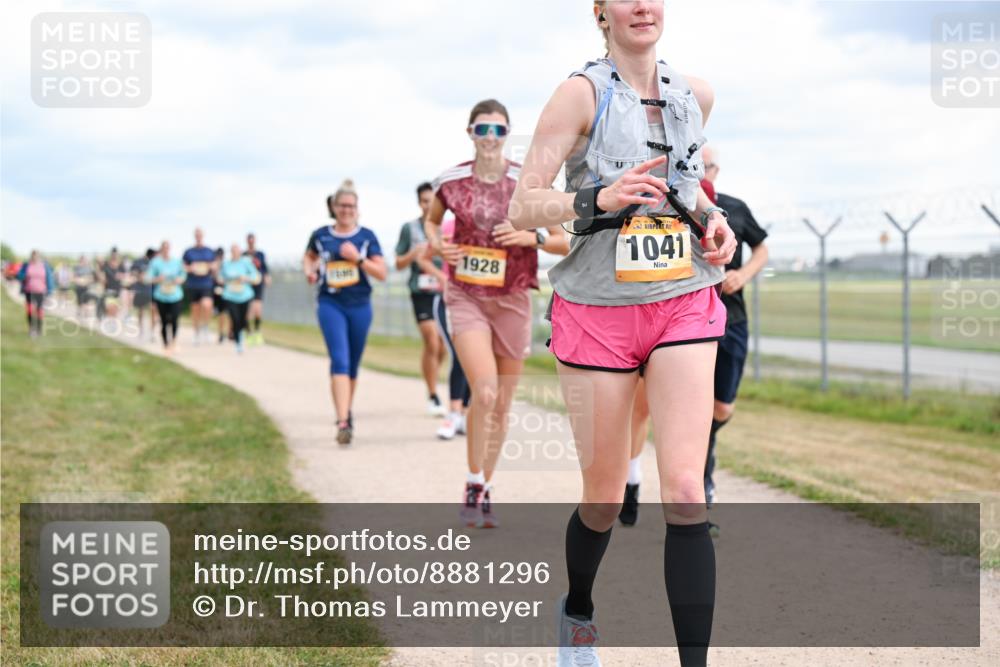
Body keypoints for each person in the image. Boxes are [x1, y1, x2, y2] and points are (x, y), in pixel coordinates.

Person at [507, 2, 738, 665]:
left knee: (686, 491)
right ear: (601, 12)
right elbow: (525, 202)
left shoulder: (695, 94)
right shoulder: (579, 95)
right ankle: (578, 606)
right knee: (605, 496)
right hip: (597, 310)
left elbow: (688, 190)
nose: (643, 5)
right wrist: (596, 199)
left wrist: (712, 227)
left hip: (683, 299)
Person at [424, 98, 569, 529]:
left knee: (502, 404)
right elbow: (432, 223)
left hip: (513, 298)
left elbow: (562, 240)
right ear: (470, 132)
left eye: (498, 130)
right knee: (484, 392)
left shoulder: (526, 182)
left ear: (508, 134)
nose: (490, 137)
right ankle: (471, 483)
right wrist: (437, 244)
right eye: (482, 129)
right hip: (466, 294)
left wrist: (531, 236)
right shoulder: (450, 180)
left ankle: (486, 484)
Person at [700, 145, 770, 506]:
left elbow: (762, 250)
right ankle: (701, 478)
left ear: (717, 170)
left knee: (721, 407)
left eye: (706, 165)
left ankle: (701, 446)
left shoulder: (736, 207)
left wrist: (742, 274)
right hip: (693, 321)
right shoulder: (677, 207)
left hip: (733, 318)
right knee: (695, 405)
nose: (701, 170)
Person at [303, 180, 388, 445]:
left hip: (360, 305)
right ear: (334, 207)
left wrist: (358, 259)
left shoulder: (367, 237)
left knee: (352, 364)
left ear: (357, 208)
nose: (346, 210)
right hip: (331, 304)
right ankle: (342, 422)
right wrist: (309, 270)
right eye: (342, 205)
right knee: (339, 359)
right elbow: (308, 257)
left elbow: (382, 273)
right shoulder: (321, 235)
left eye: (351, 205)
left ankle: (346, 412)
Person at [396, 182, 447, 416]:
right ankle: (433, 394)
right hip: (421, 293)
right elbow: (397, 264)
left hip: (444, 292)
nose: (428, 205)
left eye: (432, 200)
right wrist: (412, 254)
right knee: (432, 340)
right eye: (425, 201)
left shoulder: (445, 228)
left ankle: (433, 377)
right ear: (419, 202)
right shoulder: (410, 229)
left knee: (444, 347)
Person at [418, 216, 472, 440]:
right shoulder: (450, 226)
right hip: (449, 301)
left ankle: (465, 413)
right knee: (459, 355)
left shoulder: (492, 224)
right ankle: (453, 413)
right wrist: (443, 277)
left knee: (473, 358)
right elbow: (424, 258)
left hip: (479, 303)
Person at [219, 243, 261, 353]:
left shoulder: (246, 262)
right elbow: (220, 277)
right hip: (230, 295)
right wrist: (225, 280)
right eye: (232, 250)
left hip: (245, 295)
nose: (234, 252)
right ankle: (238, 342)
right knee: (235, 318)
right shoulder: (226, 264)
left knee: (243, 319)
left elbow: (255, 276)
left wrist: (245, 278)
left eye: (236, 250)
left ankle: (241, 337)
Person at [146, 240, 186, 353]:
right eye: (164, 247)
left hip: (176, 295)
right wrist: (158, 279)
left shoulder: (177, 261)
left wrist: (180, 280)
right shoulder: (155, 262)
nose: (166, 249)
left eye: (168, 247)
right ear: (161, 249)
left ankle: (173, 342)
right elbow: (148, 277)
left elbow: (183, 275)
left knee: (174, 319)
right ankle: (165, 344)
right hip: (161, 296)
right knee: (163, 321)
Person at [182, 228, 218, 344]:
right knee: (195, 310)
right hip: (193, 284)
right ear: (194, 236)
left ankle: (206, 327)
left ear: (203, 236)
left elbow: (215, 265)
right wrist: (189, 268)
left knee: (207, 305)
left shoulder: (209, 251)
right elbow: (183, 266)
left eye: (200, 235)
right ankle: (196, 333)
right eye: (196, 235)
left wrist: (212, 267)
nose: (198, 237)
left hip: (206, 283)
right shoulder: (189, 252)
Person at [17, 250, 55, 337]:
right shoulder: (27, 265)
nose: (35, 257)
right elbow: (19, 275)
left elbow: (49, 278)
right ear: (31, 256)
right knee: (30, 310)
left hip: (41, 291)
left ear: (39, 256)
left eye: (37, 256)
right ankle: (31, 328)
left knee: (39, 311)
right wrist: (23, 275)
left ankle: (39, 329)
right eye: (33, 256)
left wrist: (50, 290)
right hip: (29, 291)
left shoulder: (44, 266)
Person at [245, 232, 271, 345]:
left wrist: (267, 277)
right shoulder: (244, 255)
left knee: (257, 309)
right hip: (246, 285)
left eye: (252, 240)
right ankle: (248, 333)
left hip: (258, 284)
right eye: (249, 240)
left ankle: (257, 332)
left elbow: (265, 268)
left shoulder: (260, 254)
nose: (251, 242)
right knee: (247, 311)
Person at [131, 248, 157, 342]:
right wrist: (139, 275)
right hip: (141, 290)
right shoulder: (139, 262)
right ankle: (141, 330)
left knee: (153, 310)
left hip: (152, 289)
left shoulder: (156, 262)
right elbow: (133, 272)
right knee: (140, 311)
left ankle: (152, 332)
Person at [211, 247, 229, 344]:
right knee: (218, 313)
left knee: (224, 313)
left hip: (225, 292)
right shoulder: (213, 265)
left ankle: (224, 333)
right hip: (214, 293)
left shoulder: (227, 265)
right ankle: (220, 333)